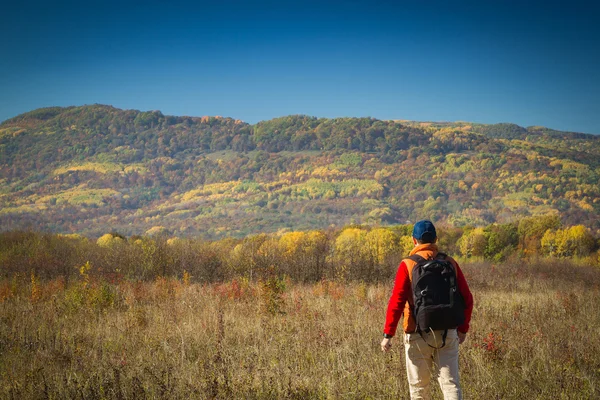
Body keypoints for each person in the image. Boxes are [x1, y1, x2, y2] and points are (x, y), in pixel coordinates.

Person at [381, 220, 473, 400]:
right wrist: (462, 329)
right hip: (448, 332)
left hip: (416, 333)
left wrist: (388, 335)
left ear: (414, 240)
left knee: (419, 389)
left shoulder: (407, 264)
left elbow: (397, 302)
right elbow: (467, 299)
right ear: (436, 239)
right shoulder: (450, 262)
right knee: (451, 385)